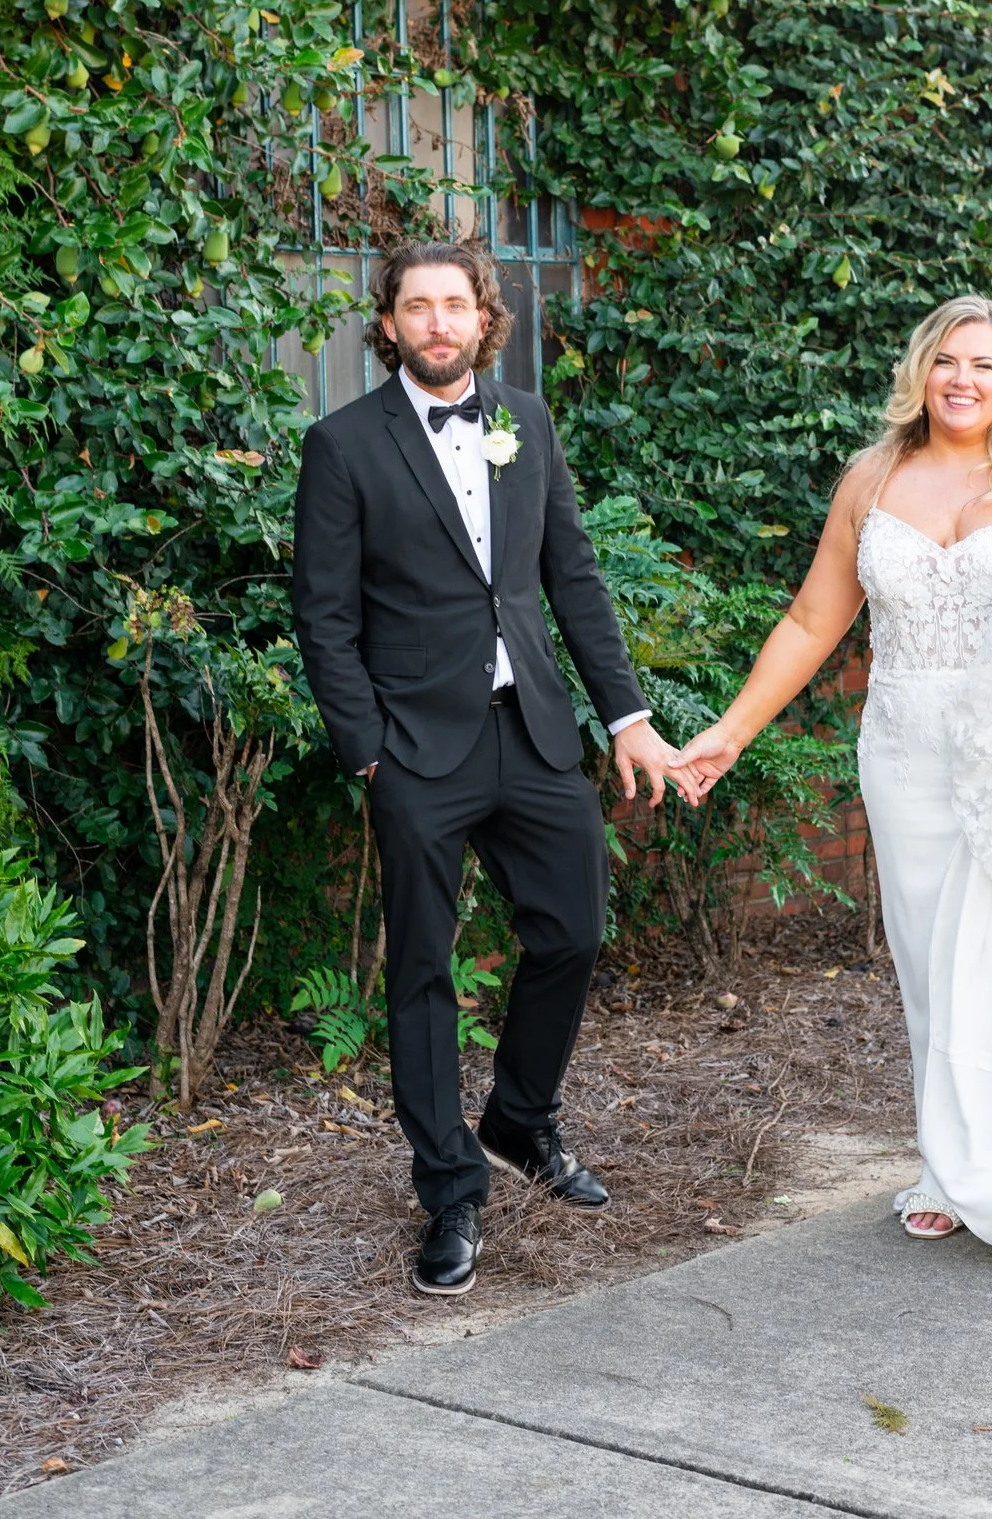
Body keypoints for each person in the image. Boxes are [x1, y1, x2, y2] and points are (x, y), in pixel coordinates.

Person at [673, 294, 992, 1293]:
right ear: (921, 370)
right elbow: (813, 619)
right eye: (947, 360)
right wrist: (729, 731)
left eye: (984, 364)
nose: (963, 380)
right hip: (907, 754)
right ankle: (953, 1165)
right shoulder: (873, 477)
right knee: (935, 970)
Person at [293, 238, 696, 1297]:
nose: (438, 323)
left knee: (574, 928)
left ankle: (518, 1117)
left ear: (484, 317)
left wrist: (627, 716)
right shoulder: (343, 445)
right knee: (424, 968)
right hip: (415, 749)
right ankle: (450, 1188)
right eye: (416, 307)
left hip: (535, 729)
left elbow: (572, 575)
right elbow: (324, 618)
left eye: (455, 304)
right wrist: (368, 753)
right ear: (389, 325)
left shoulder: (527, 419)